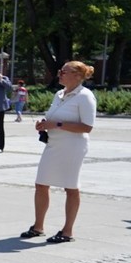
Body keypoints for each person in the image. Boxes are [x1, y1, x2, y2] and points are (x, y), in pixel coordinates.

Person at [21, 61, 97, 244]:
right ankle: (38, 226)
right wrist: (44, 123)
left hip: (73, 146)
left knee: (70, 186)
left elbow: (87, 127)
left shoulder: (85, 96)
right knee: (41, 183)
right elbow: (54, 117)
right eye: (60, 71)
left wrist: (56, 124)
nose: (60, 74)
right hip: (53, 144)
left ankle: (67, 231)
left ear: (77, 76)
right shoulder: (59, 94)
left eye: (64, 71)